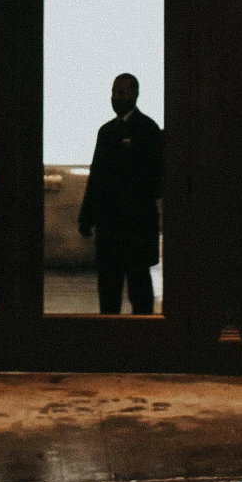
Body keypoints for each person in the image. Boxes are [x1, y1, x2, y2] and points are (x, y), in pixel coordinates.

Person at [78, 72, 163, 316]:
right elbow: (96, 178)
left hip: (134, 223)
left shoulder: (147, 129)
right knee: (112, 289)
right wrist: (87, 215)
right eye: (115, 91)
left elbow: (152, 177)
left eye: (122, 92)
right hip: (117, 223)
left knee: (137, 289)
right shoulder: (109, 131)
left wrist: (89, 214)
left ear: (135, 94)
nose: (117, 96)